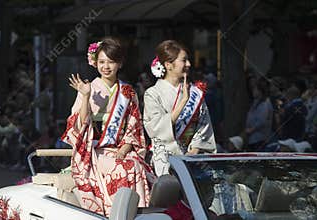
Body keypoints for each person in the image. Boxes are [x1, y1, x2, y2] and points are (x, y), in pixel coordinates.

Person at [61, 37, 153, 216]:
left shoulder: (127, 91)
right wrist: (86, 96)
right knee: (123, 168)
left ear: (119, 63)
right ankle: (116, 213)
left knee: (136, 166)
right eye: (102, 62)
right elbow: (79, 126)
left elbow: (134, 127)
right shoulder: (89, 87)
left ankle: (136, 213)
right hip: (93, 151)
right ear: (95, 63)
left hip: (121, 148)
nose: (106, 66)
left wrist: (125, 148)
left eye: (111, 62)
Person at [143, 40, 216, 177]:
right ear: (168, 65)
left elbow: (204, 125)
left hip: (194, 155)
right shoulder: (152, 94)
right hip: (165, 156)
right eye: (184, 60)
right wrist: (183, 102)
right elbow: (155, 129)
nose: (188, 64)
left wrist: (194, 150)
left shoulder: (195, 92)